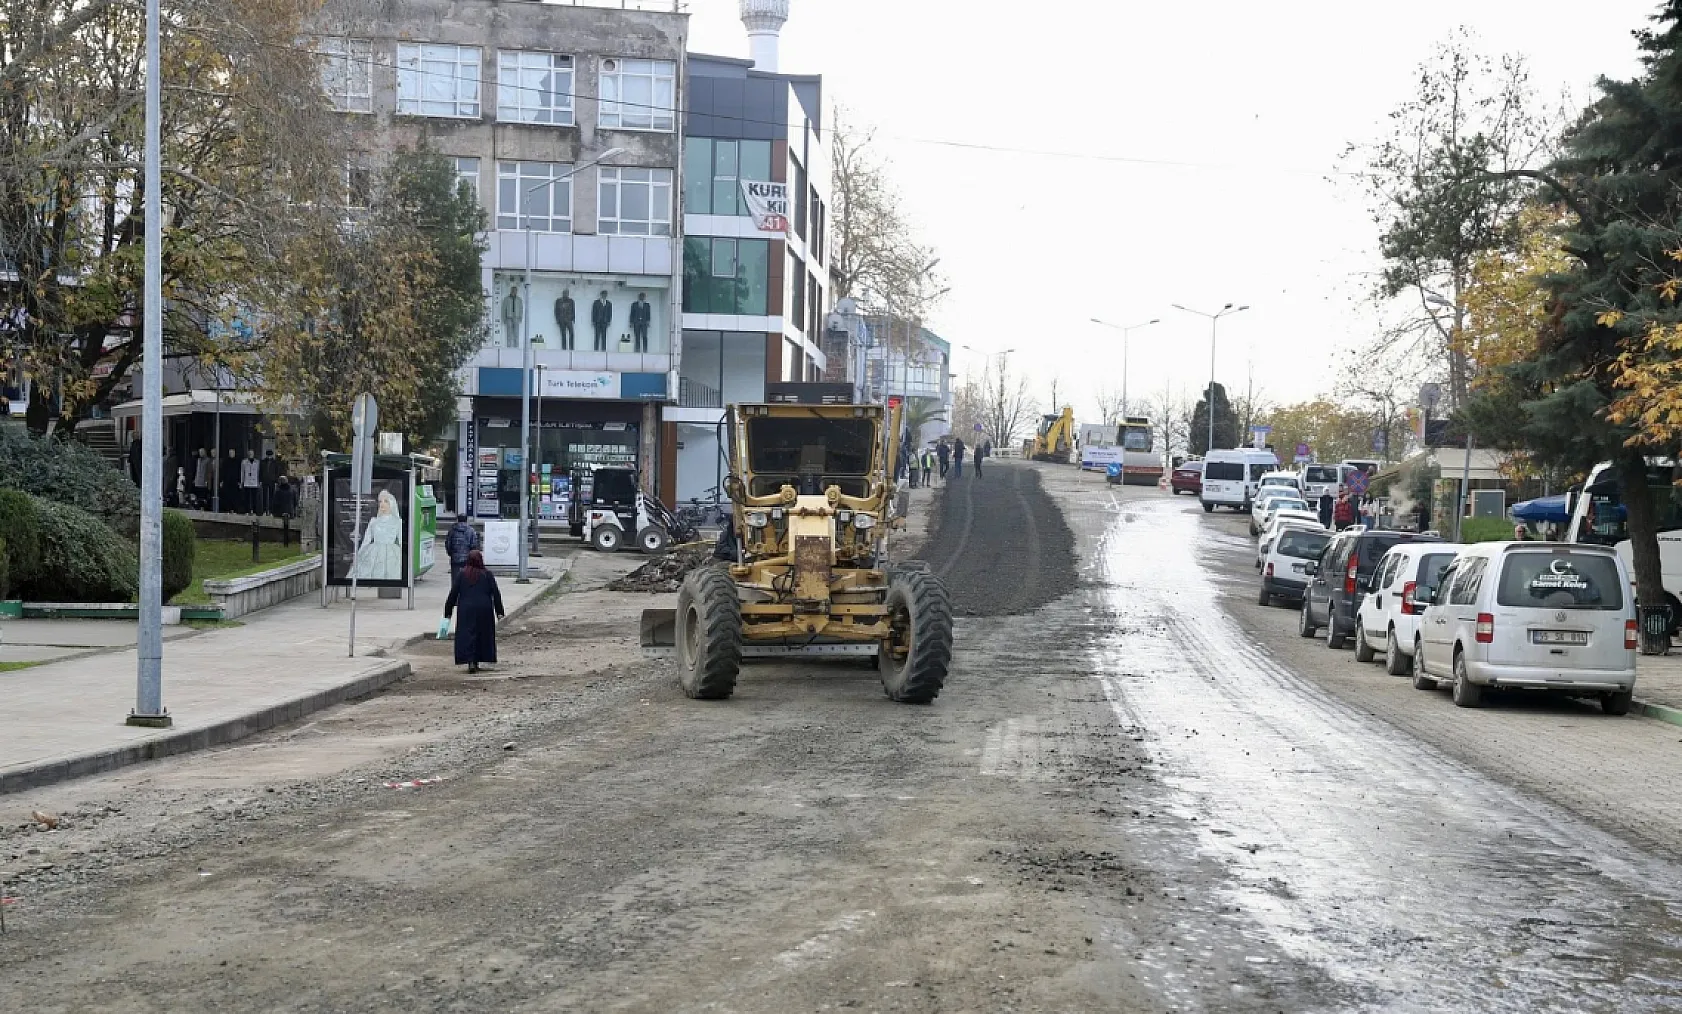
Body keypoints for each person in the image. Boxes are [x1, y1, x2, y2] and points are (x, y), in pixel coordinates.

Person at [444, 549, 504, 675]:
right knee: (482, 634)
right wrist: (499, 612)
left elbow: (453, 594)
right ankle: (478, 659)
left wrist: (448, 612)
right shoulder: (487, 575)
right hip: (484, 609)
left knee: (467, 634)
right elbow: (496, 594)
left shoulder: (462, 574)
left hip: (466, 609)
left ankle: (470, 660)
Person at [349, 489, 405, 581]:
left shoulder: (397, 522)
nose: (382, 504)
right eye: (380, 501)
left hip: (392, 554)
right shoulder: (374, 521)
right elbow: (366, 540)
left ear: (391, 503)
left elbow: (402, 540)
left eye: (386, 501)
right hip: (373, 553)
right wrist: (359, 555)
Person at [445, 516, 481, 580]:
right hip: (467, 558)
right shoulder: (471, 530)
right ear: (466, 520)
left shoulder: (452, 530)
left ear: (457, 520)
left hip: (455, 558)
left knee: (455, 578)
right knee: (467, 578)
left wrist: (451, 553)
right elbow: (474, 544)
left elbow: (448, 543)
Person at [240, 449, 261, 514]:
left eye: (252, 453)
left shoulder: (257, 462)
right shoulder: (244, 462)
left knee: (254, 497)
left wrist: (259, 481)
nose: (250, 454)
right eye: (249, 453)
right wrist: (242, 481)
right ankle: (247, 510)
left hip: (255, 482)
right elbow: (242, 472)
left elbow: (259, 472)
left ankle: (254, 510)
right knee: (247, 497)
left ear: (253, 454)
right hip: (247, 481)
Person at [259, 450, 280, 515]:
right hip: (264, 480)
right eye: (268, 455)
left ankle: (270, 510)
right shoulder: (263, 461)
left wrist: (276, 481)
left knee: (271, 496)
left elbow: (277, 472)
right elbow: (260, 471)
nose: (269, 456)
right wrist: (260, 480)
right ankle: (264, 510)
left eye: (270, 455)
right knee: (264, 495)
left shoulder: (275, 462)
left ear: (272, 455)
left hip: (272, 480)